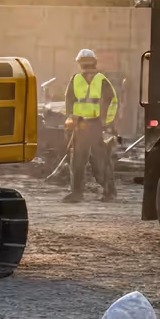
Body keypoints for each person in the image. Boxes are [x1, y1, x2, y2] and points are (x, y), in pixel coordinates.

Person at [65, 48, 119, 203]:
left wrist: (104, 122)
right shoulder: (94, 79)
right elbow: (69, 101)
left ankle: (80, 193)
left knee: (86, 160)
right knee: (90, 160)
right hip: (87, 125)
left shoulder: (94, 80)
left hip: (89, 125)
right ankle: (105, 192)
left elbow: (69, 101)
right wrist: (105, 123)